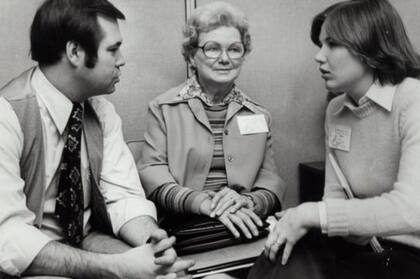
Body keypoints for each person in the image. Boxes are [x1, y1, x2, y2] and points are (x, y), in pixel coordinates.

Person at [0, 0, 194, 278]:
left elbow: (122, 196)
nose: (122, 59)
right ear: (75, 52)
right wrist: (118, 268)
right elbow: (8, 238)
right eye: (113, 49)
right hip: (26, 260)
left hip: (86, 242)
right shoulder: (6, 115)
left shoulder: (101, 111)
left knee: (166, 273)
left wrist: (154, 243)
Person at [248, 0, 420, 278]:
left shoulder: (413, 99)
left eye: (333, 44)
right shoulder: (336, 109)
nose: (319, 56)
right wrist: (296, 223)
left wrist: (309, 215)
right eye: (320, 45)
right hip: (358, 246)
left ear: (370, 47)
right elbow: (334, 199)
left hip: (409, 255)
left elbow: (412, 210)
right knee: (281, 255)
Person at [139, 2, 285, 242]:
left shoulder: (258, 115)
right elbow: (152, 174)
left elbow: (271, 181)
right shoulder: (163, 108)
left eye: (234, 49)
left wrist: (247, 200)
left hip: (244, 221)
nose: (225, 58)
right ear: (192, 57)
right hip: (187, 225)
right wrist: (202, 203)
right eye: (213, 48)